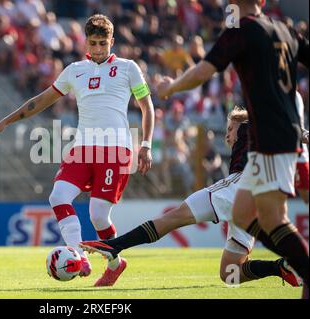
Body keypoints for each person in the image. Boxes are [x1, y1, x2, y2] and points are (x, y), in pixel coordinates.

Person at [0, 14, 155, 287]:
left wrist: (146, 144)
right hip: (83, 148)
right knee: (58, 196)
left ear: (112, 41)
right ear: (85, 42)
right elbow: (40, 101)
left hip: (115, 149)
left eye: (103, 43)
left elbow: (147, 107)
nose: (98, 48)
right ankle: (80, 257)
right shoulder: (75, 70)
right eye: (93, 43)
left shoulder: (128, 68)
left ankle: (114, 263)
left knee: (98, 215)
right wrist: (6, 121)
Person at [155, 0, 309, 298]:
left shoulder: (241, 29)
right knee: (243, 213)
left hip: (272, 136)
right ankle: (298, 267)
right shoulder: (284, 29)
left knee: (273, 219)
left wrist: (171, 88)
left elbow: (203, 71)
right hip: (278, 134)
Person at [80, 106, 302, 287]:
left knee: (174, 217)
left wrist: (302, 134)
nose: (227, 135)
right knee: (230, 274)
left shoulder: (248, 127)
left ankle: (114, 246)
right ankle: (280, 267)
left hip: (239, 187)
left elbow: (277, 127)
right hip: (255, 201)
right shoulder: (254, 142)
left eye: (230, 128)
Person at [295, 91, 309, 205]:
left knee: (306, 197)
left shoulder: (295, 97)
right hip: (279, 154)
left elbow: (299, 128)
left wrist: (303, 135)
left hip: (298, 155)